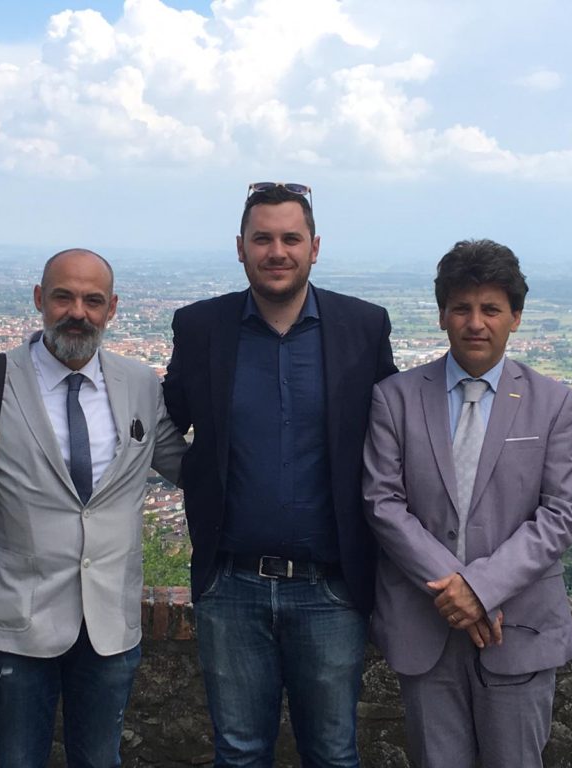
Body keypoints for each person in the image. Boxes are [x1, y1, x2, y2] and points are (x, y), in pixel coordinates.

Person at [163, 182, 398, 766]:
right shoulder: (200, 327)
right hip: (231, 585)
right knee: (239, 752)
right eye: (262, 238)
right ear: (239, 247)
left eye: (291, 238)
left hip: (331, 588)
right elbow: (162, 423)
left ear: (314, 248)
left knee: (333, 754)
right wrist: (197, 482)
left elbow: (395, 436)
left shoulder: (363, 326)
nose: (277, 251)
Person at [0, 249, 186, 768]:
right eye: (64, 297)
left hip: (110, 622)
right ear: (39, 299)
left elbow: (183, 466)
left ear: (112, 308)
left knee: (101, 760)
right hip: (21, 623)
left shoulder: (139, 383)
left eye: (93, 301)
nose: (78, 313)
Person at [362, 239, 572, 768]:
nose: (475, 323)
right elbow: (383, 503)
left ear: (515, 318)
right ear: (442, 315)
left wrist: (481, 590)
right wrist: (456, 591)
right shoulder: (395, 397)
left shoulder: (552, 402)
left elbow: (562, 512)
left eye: (491, 309)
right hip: (426, 626)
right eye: (461, 308)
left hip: (518, 628)